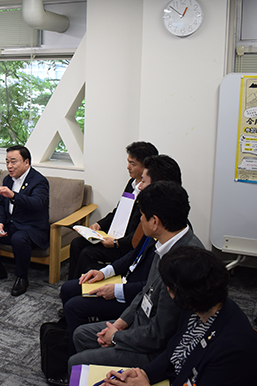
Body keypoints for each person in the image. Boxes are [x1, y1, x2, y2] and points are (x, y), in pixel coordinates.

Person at [56, 156, 183, 368]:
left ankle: (75, 360)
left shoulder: (171, 240)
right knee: (70, 289)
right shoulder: (158, 221)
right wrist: (104, 272)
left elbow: (157, 326)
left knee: (75, 308)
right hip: (131, 294)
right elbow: (135, 259)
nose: (139, 186)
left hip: (141, 322)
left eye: (143, 181)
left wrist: (115, 297)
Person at [67, 182, 204, 372]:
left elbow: (159, 335)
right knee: (81, 334)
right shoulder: (166, 242)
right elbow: (145, 292)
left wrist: (116, 337)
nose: (139, 220)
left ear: (154, 222)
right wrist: (121, 323)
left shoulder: (185, 262)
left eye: (142, 216)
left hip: (153, 350)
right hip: (139, 325)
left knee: (75, 363)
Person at [103, 246, 257, 386]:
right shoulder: (198, 309)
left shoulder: (233, 348)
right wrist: (144, 374)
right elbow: (174, 352)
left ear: (182, 294)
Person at [68, 142, 158, 280]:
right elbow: (119, 210)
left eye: (132, 164)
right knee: (76, 244)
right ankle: (74, 283)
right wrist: (100, 225)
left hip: (126, 243)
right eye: (128, 162)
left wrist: (116, 243)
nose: (128, 167)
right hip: (114, 235)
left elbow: (139, 233)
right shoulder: (131, 183)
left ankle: (87, 285)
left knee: (87, 253)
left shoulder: (150, 192)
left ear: (145, 166)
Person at [0, 145, 49, 296]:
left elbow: (36, 203)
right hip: (11, 225)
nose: (9, 166)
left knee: (19, 238)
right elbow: (1, 204)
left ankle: (21, 277)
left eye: (13, 162)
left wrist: (13, 195)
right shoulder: (8, 179)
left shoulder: (39, 181)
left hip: (31, 229)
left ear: (26, 162)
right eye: (7, 162)